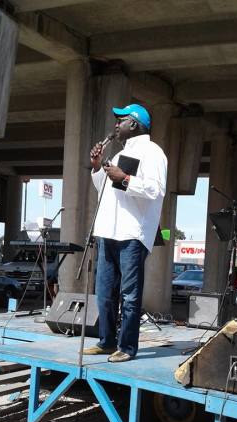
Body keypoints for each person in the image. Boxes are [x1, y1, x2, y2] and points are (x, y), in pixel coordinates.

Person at [83, 104, 167, 362]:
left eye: (121, 120)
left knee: (129, 295)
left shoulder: (153, 153)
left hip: (132, 233)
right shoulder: (120, 155)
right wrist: (97, 167)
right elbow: (104, 190)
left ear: (134, 123)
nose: (116, 124)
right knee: (105, 292)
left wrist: (125, 178)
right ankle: (107, 342)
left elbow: (155, 190)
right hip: (108, 231)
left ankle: (128, 347)